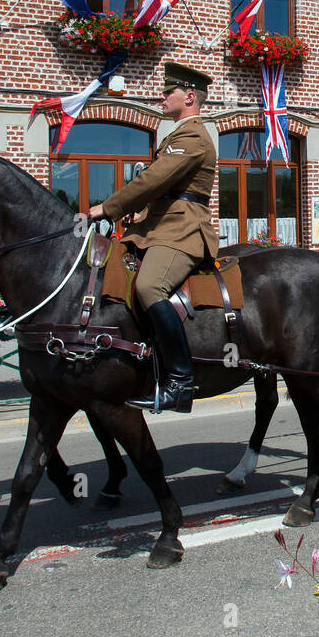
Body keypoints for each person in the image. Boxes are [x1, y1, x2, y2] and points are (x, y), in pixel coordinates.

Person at [88, 62, 218, 413]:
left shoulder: (192, 135)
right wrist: (139, 214)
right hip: (158, 227)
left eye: (168, 92)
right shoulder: (176, 135)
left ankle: (181, 381)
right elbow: (162, 191)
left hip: (182, 231)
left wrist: (108, 208)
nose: (161, 97)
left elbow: (152, 181)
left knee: (149, 287)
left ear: (189, 97)